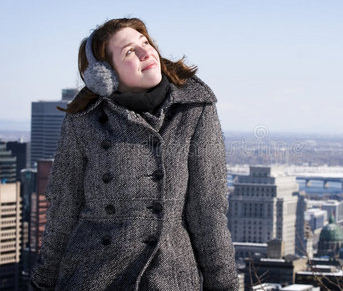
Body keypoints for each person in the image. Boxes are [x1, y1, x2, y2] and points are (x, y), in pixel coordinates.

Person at [30, 17, 239, 290]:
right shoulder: (83, 119)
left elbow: (207, 209)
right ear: (106, 74)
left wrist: (224, 285)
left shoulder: (194, 109)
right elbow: (64, 206)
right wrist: (43, 281)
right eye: (130, 51)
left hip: (170, 275)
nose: (146, 52)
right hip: (92, 275)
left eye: (145, 42)